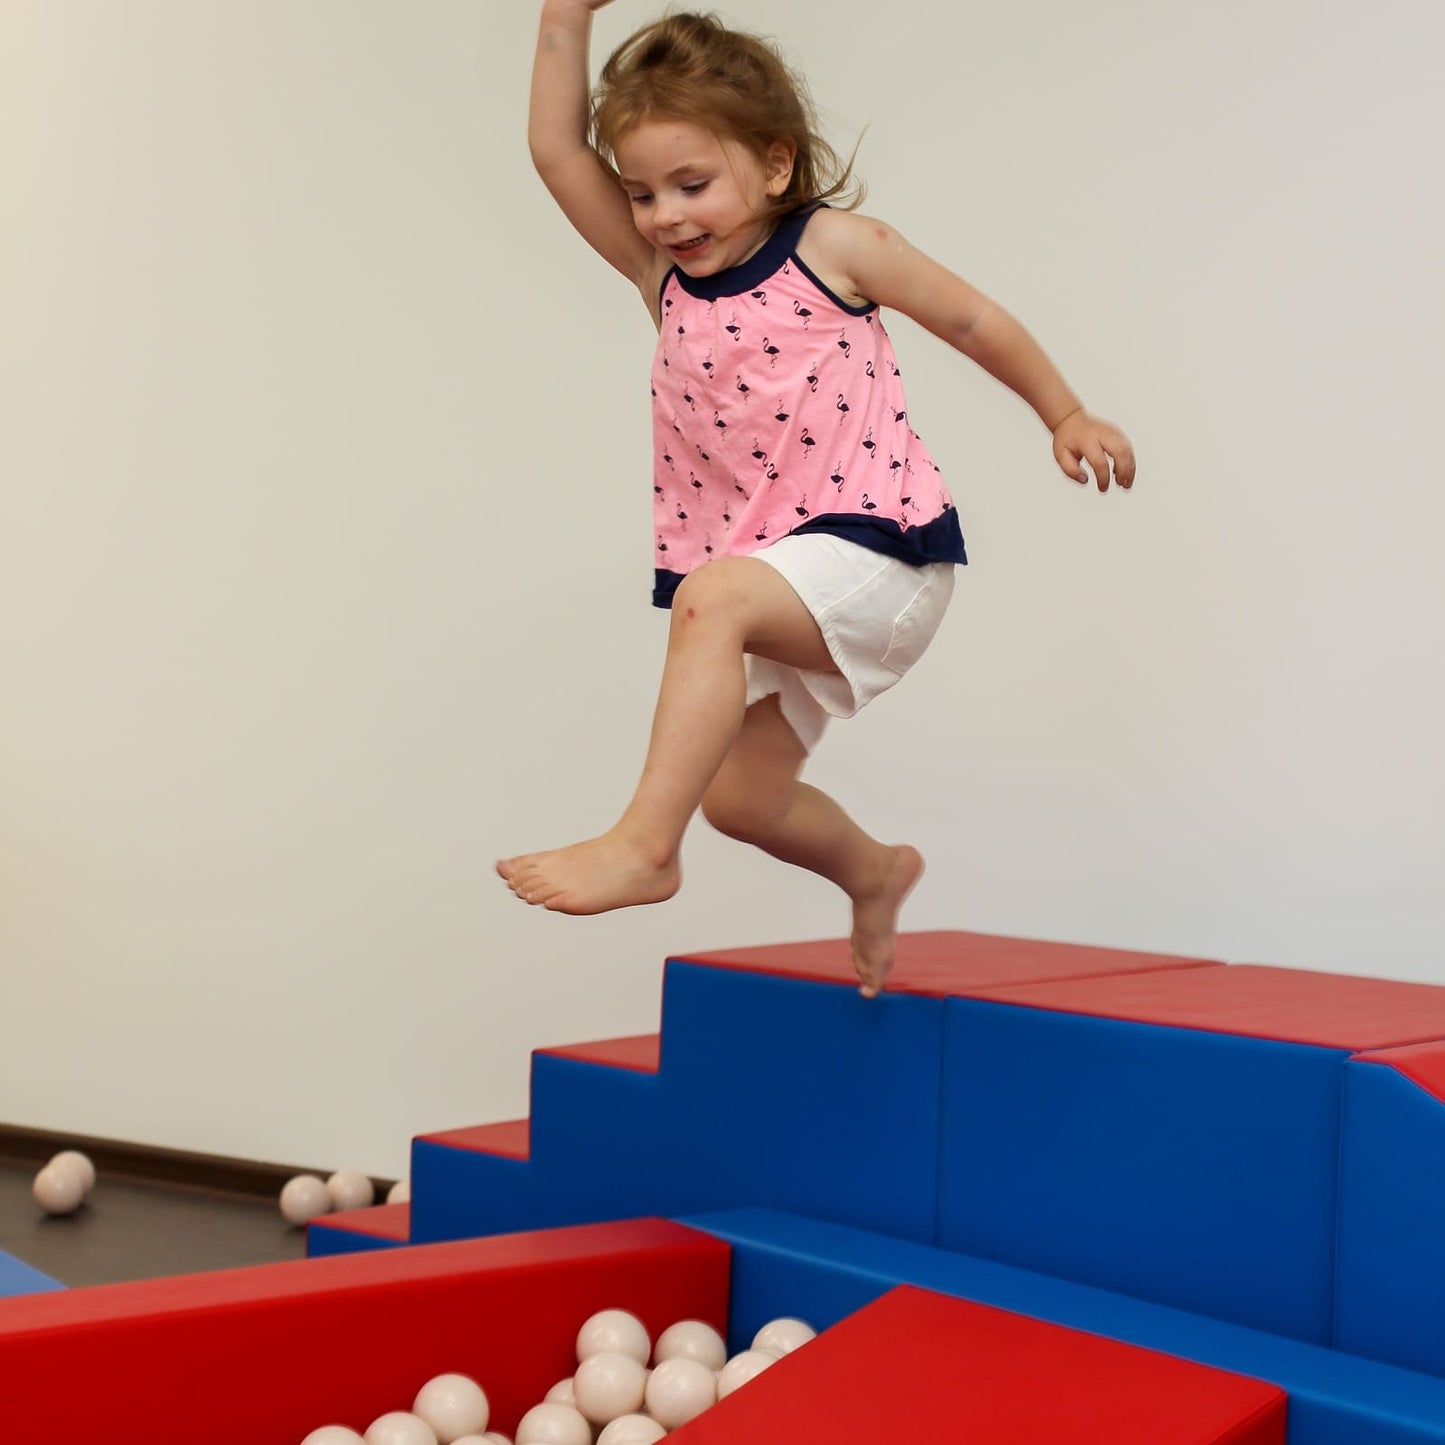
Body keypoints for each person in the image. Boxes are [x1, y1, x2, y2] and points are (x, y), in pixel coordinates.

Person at [498, 0, 1136, 997]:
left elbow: (968, 318)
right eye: (642, 193)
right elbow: (551, 150)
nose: (665, 215)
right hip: (777, 575)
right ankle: (875, 872)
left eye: (692, 184)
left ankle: (641, 846)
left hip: (880, 552)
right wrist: (563, 14)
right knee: (744, 800)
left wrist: (1064, 411)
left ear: (775, 164)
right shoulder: (659, 278)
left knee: (711, 598)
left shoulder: (832, 247)